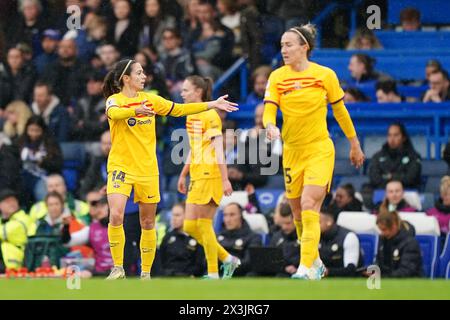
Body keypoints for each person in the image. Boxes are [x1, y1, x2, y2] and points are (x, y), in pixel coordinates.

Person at [102, 59, 238, 280]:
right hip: (121, 167)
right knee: (116, 214)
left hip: (147, 169)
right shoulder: (114, 100)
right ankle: (118, 268)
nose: (144, 76)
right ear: (126, 78)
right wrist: (135, 110)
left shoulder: (152, 100)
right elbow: (114, 114)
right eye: (138, 73)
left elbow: (179, 109)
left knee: (147, 222)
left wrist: (211, 104)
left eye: (143, 72)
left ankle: (145, 273)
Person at [263, 24, 365, 280]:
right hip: (292, 152)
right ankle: (316, 262)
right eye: (282, 45)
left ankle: (305, 268)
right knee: (297, 212)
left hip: (319, 149)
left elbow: (341, 112)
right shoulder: (277, 77)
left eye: (289, 45)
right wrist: (270, 125)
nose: (283, 50)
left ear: (303, 47)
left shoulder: (325, 75)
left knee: (310, 205)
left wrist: (354, 144)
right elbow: (269, 110)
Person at [177, 76, 241, 279]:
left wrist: (224, 179)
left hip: (210, 173)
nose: (182, 93)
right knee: (189, 226)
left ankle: (213, 272)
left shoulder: (210, 115)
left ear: (198, 92)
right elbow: (195, 148)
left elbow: (218, 148)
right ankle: (228, 259)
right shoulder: (190, 115)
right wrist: (183, 173)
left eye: (186, 90)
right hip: (196, 173)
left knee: (203, 223)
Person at [64, 192, 113, 276]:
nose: (98, 209)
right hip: (100, 273)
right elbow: (68, 242)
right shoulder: (91, 229)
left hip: (124, 272)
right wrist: (66, 227)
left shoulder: (126, 227)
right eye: (97, 206)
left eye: (102, 206)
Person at [18, 116, 63, 206]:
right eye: (31, 130)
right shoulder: (20, 142)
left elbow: (58, 164)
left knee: (42, 193)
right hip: (24, 175)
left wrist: (43, 162)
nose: (34, 134)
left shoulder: (51, 143)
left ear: (42, 131)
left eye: (37, 130)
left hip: (44, 176)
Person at [368, 123, 422, 189]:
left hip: (406, 192)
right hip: (382, 191)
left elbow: (410, 178)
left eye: (396, 135)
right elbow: (374, 178)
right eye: (389, 135)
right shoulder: (377, 156)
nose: (392, 139)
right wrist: (398, 176)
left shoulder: (414, 156)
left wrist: (389, 176)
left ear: (404, 137)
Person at [158, 202, 206, 277]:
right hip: (168, 278)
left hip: (189, 279)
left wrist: (185, 275)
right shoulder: (167, 237)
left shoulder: (197, 238)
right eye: (172, 215)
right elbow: (161, 261)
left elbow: (199, 265)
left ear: (187, 216)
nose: (173, 218)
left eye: (177, 215)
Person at [217, 203, 262, 276]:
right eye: (225, 215)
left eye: (232, 215)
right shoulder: (217, 237)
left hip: (240, 277)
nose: (228, 220)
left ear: (240, 216)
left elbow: (248, 263)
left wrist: (224, 261)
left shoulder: (253, 238)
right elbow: (205, 261)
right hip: (219, 275)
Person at [375, 210, 423, 277]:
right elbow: (379, 263)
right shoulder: (383, 240)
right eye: (380, 230)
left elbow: (406, 271)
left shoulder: (411, 244)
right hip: (387, 282)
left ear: (394, 226)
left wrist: (383, 277)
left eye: (384, 230)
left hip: (408, 284)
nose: (382, 233)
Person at [319, 207, 363, 277]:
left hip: (345, 281)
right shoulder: (316, 237)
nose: (314, 226)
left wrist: (328, 272)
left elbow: (350, 269)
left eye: (318, 222)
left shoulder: (349, 237)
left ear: (329, 222)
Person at [0, 189, 36, 272]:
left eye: (14, 200)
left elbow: (4, 232)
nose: (11, 204)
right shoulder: (2, 220)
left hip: (17, 262)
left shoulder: (23, 219)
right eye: (7, 201)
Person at [267, 202, 300, 277]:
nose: (284, 227)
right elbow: (271, 259)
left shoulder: (304, 236)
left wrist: (297, 267)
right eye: (282, 223)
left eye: (288, 223)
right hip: (280, 271)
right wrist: (284, 268)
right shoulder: (276, 236)